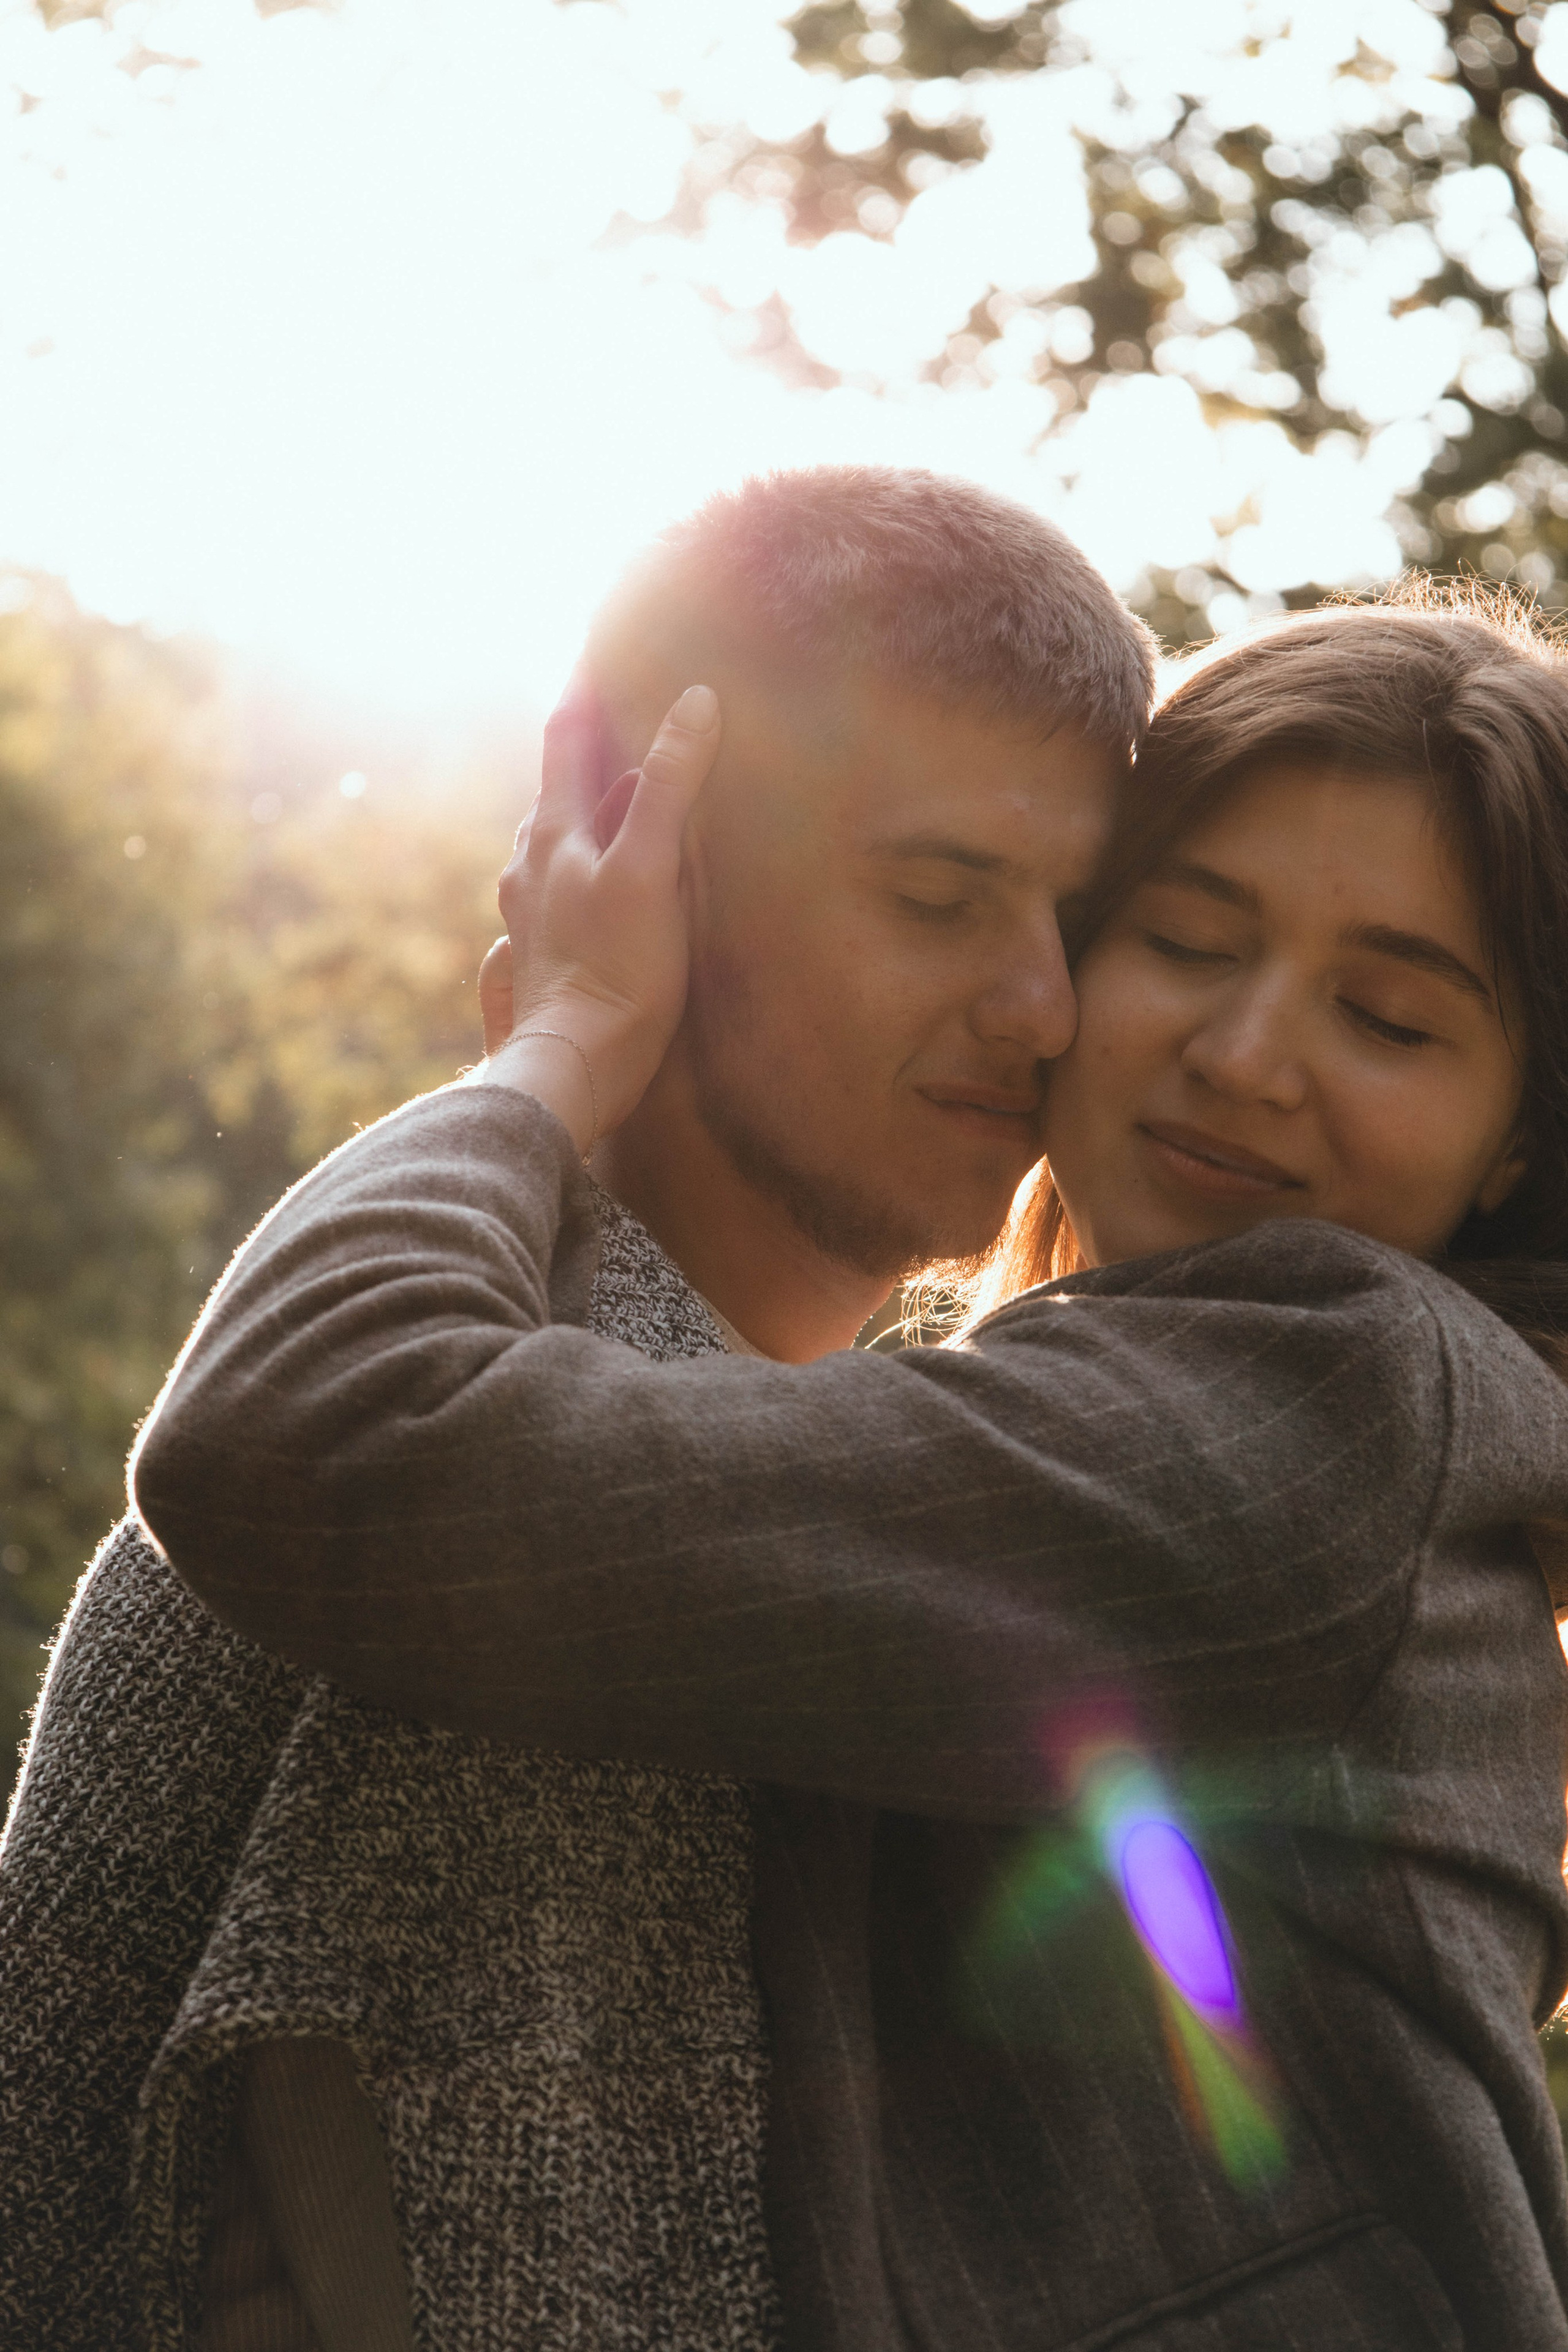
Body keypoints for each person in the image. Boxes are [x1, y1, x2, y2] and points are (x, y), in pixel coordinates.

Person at [138, 583, 1568, 2349]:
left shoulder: (1342, 1414)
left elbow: (327, 1436)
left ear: (1522, 1137)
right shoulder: (1123, 1415)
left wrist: (562, 1040)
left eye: (1394, 1018)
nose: (1248, 1054)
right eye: (1191, 941)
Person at [0, 466, 1153, 2349]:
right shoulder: (516, 1500)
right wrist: (558, 1050)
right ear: (652, 873)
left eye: (1079, 922)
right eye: (940, 897)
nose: (1039, 1004)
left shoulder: (711, 1459)